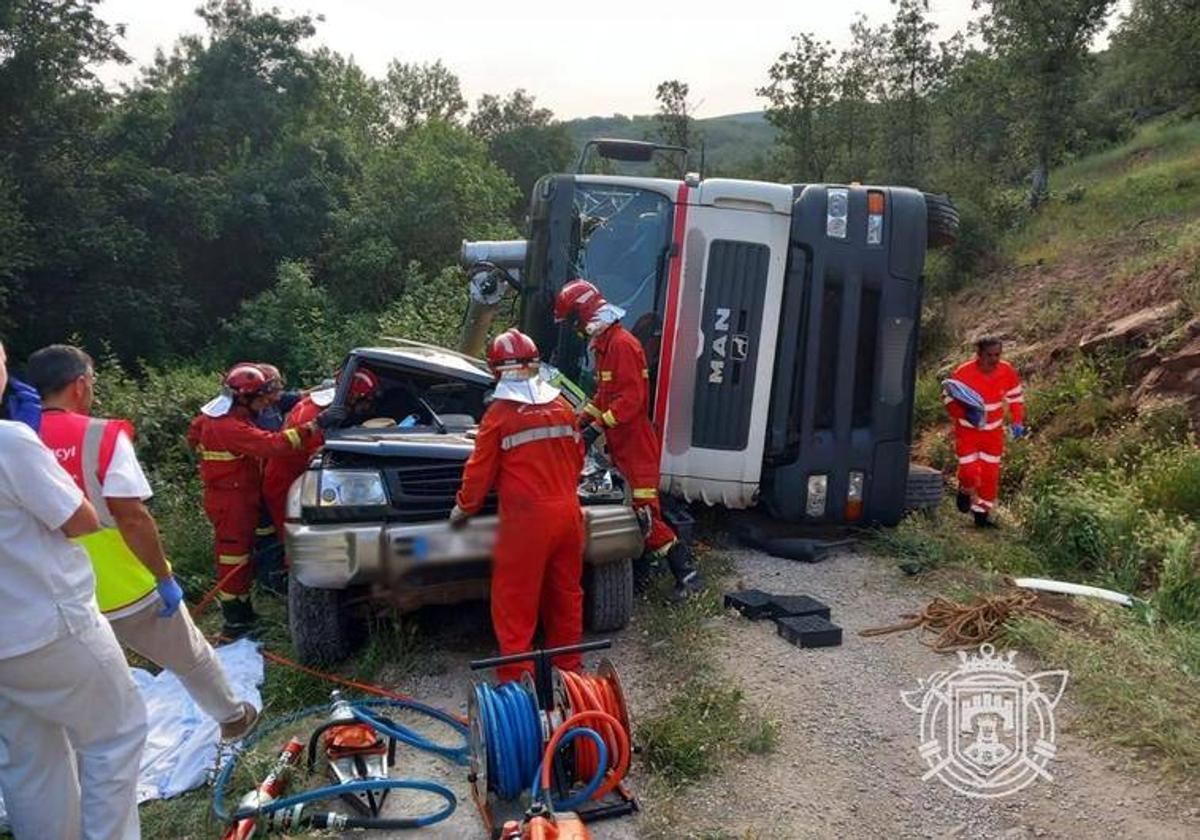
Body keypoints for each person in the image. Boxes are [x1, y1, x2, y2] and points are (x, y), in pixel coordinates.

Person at [27, 344, 258, 741]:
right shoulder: (100, 435)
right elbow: (131, 517)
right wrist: (163, 574)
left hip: (51, 598)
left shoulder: (14, 442)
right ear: (80, 385)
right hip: (126, 587)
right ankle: (233, 719)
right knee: (190, 657)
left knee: (79, 688)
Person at [0, 338, 148, 840]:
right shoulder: (11, 441)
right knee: (116, 732)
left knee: (30, 761)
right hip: (48, 623)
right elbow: (81, 520)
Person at [449, 329, 585, 683]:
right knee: (566, 594)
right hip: (569, 514)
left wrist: (464, 507)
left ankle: (516, 683)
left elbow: (479, 471)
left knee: (515, 600)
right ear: (535, 364)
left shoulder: (499, 414)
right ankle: (569, 674)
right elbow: (578, 458)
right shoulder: (562, 406)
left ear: (497, 371)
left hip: (527, 522)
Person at [554, 278, 701, 600]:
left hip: (637, 449)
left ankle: (687, 576)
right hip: (624, 447)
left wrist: (597, 427)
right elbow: (604, 395)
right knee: (633, 511)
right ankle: (644, 577)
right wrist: (580, 421)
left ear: (584, 315)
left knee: (644, 515)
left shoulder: (621, 345)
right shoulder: (605, 346)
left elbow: (631, 400)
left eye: (573, 322)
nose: (575, 330)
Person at [188, 363, 342, 637]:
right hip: (230, 500)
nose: (268, 403)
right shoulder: (228, 425)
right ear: (245, 397)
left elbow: (194, 436)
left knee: (247, 552)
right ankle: (236, 622)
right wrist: (315, 425)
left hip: (239, 494)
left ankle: (249, 605)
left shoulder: (226, 413)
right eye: (263, 398)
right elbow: (274, 445)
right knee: (233, 559)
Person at [261, 368, 380, 537]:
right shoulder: (312, 416)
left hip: (297, 481)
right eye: (367, 400)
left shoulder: (327, 407)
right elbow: (319, 459)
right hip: (287, 486)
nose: (369, 406)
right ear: (352, 397)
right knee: (297, 541)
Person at [943, 337, 1026, 528]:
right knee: (970, 472)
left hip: (993, 433)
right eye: (989, 355)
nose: (994, 359)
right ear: (979, 355)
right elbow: (948, 399)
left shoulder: (1007, 371)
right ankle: (965, 489)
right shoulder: (963, 372)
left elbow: (1016, 397)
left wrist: (1017, 420)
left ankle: (982, 516)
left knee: (990, 476)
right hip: (967, 431)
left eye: (997, 354)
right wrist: (964, 413)